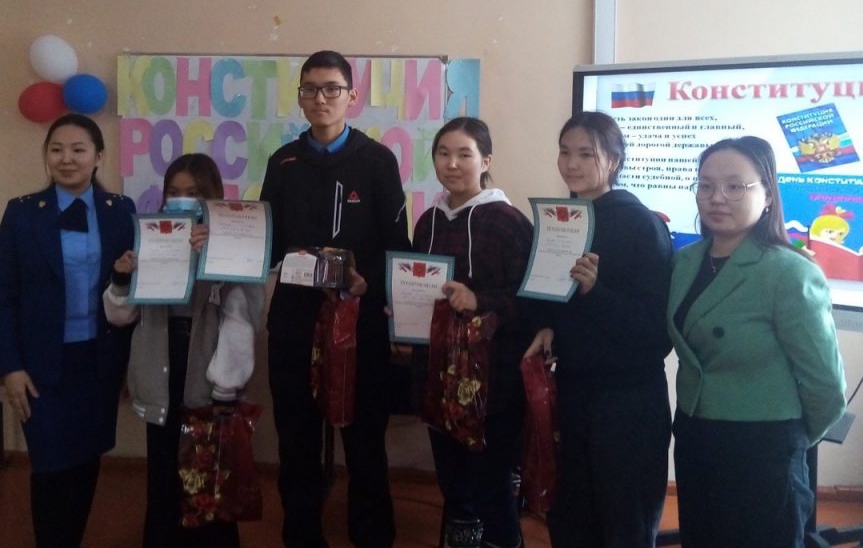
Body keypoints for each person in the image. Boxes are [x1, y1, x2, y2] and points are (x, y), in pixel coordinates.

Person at [260, 50, 412, 548]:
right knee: (296, 440)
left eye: (331, 89)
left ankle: (372, 536)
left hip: (359, 322)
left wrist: (371, 284)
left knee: (364, 442)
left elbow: (397, 245)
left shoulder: (378, 160)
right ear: (300, 97)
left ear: (352, 95)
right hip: (294, 322)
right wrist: (223, 240)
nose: (320, 98)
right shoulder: (282, 162)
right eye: (310, 89)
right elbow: (266, 242)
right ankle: (302, 535)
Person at [668, 136, 847, 548]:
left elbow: (825, 385)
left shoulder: (788, 272)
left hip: (763, 448)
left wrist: (788, 445)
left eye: (735, 186)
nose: (717, 197)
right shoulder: (685, 262)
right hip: (695, 435)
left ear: (767, 194)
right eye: (706, 185)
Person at [523, 111, 673, 548]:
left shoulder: (640, 224)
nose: (572, 164)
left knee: (623, 520)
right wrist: (546, 324)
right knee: (572, 514)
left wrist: (596, 291)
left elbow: (656, 333)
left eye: (586, 154)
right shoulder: (561, 219)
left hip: (626, 403)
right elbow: (546, 295)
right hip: (573, 391)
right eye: (565, 152)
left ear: (614, 160)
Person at [0, 113, 136, 548]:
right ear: (46, 156)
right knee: (50, 467)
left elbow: (132, 287)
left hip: (98, 360)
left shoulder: (120, 211)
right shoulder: (22, 213)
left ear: (98, 157)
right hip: (40, 366)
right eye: (56, 150)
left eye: (78, 150)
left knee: (86, 461)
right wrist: (10, 366)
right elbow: (2, 293)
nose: (66, 159)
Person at [103, 153, 266, 548]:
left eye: (193, 193)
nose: (182, 200)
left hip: (207, 373)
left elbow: (244, 316)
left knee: (209, 474)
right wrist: (122, 278)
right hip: (160, 369)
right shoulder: (151, 236)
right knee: (163, 475)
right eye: (174, 192)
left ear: (212, 196)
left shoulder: (230, 241)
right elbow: (121, 316)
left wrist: (226, 383)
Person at [412, 117, 533, 548]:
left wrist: (478, 300)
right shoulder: (428, 221)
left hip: (493, 379)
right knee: (453, 480)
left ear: (486, 161)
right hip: (439, 373)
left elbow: (530, 300)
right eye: (443, 153)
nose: (452, 164)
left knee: (491, 481)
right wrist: (402, 309)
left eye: (465, 154)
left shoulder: (508, 221)